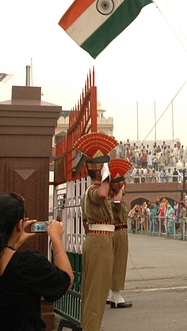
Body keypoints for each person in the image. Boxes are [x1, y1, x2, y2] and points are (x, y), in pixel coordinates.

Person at [0, 193, 73, 330]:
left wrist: (12, 244)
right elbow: (65, 281)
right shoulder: (28, 264)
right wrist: (56, 238)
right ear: (20, 225)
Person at [74, 132, 120, 331]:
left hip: (99, 240)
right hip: (99, 242)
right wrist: (106, 174)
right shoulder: (94, 190)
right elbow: (102, 193)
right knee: (96, 292)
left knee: (95, 291)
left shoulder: (89, 191)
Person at [108, 159, 133, 309]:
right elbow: (117, 206)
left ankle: (112, 294)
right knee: (118, 264)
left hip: (118, 232)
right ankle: (116, 296)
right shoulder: (116, 201)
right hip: (119, 233)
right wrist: (118, 193)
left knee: (115, 264)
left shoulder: (117, 200)